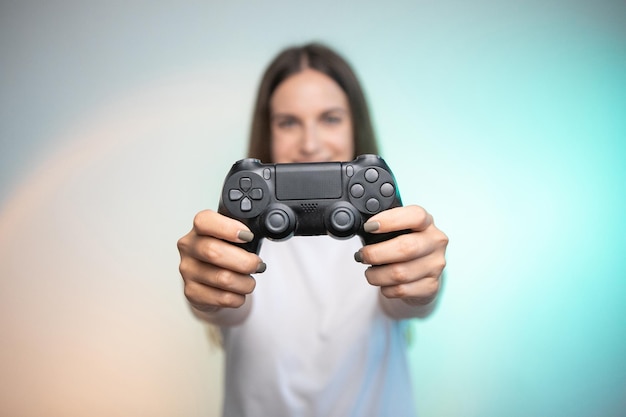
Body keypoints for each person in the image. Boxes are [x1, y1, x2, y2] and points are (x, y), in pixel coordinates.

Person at [177, 43, 448, 417]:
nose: (310, 143)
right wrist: (207, 288)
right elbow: (226, 307)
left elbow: (408, 297)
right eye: (288, 122)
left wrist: (427, 283)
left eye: (330, 118)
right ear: (267, 130)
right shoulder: (240, 231)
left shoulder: (388, 228)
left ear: (356, 124)